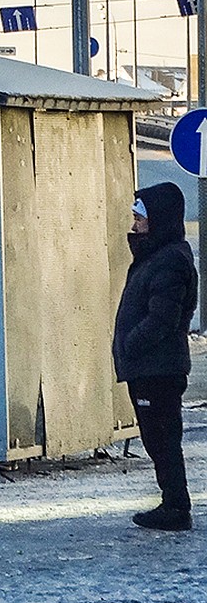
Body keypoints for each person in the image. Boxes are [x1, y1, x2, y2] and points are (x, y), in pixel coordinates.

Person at [112, 182, 197, 531]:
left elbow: (163, 318)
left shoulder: (169, 261)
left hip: (157, 368)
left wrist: (131, 344)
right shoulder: (157, 257)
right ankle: (173, 503)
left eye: (140, 218)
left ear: (157, 219)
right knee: (158, 439)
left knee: (162, 439)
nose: (135, 225)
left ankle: (176, 507)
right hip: (151, 366)